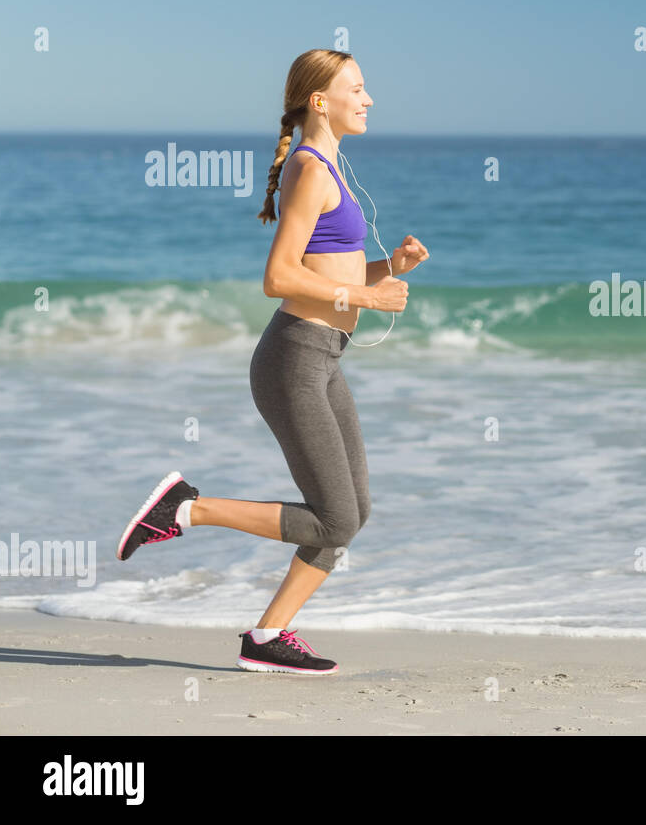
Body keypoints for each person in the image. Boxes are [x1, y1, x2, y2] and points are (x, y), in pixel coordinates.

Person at [115, 49, 428, 674]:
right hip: (293, 358)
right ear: (321, 101)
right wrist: (369, 295)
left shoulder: (327, 166)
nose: (368, 100)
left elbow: (326, 270)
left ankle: (268, 637)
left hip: (322, 357)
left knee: (350, 514)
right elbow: (279, 277)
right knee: (334, 516)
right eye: (358, 89)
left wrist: (387, 269)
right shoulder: (311, 170)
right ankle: (186, 507)